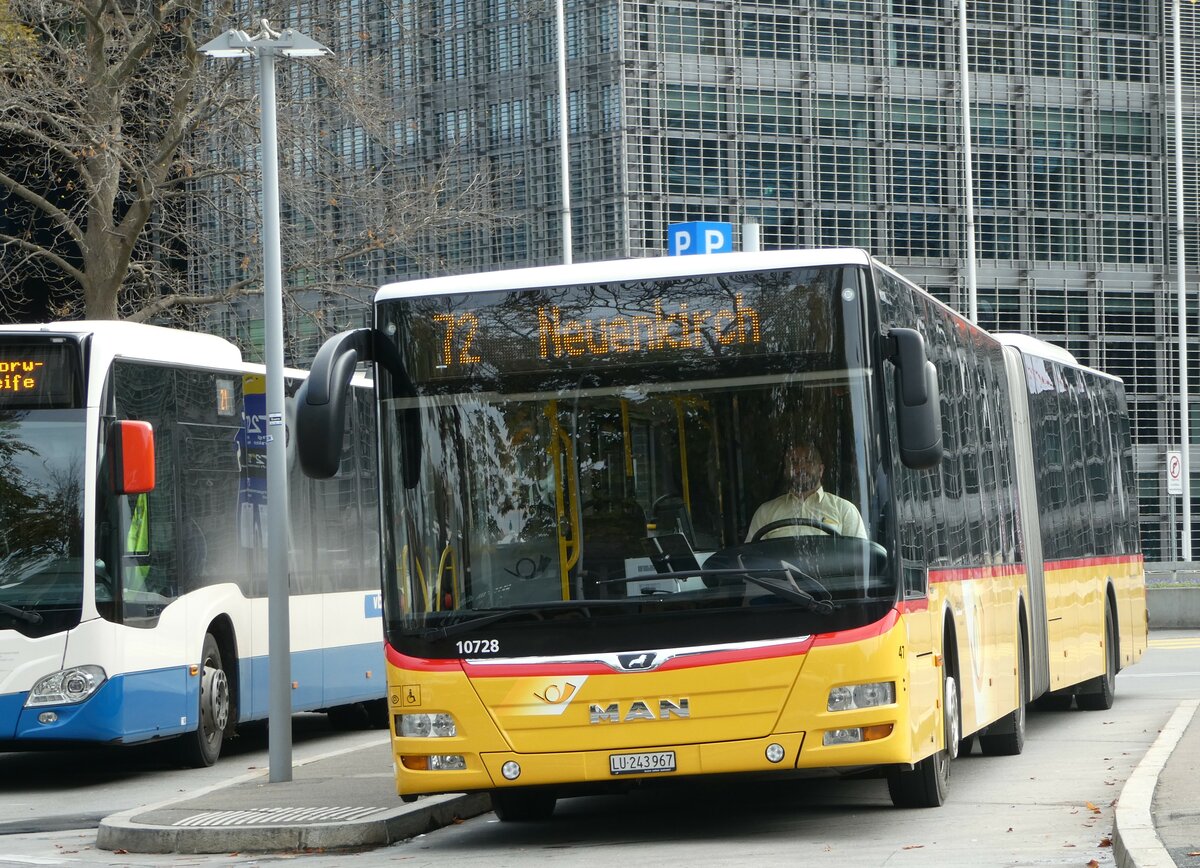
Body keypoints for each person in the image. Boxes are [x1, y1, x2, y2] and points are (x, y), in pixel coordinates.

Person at [745, 443, 867, 541]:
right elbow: (751, 560)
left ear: (820, 470)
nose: (801, 467)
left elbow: (860, 559)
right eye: (794, 462)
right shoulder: (765, 513)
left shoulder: (844, 510)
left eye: (808, 461)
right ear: (786, 471)